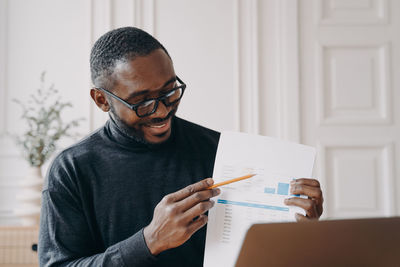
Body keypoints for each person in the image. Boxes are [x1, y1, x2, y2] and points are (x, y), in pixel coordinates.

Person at [38, 27, 323, 266]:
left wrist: (299, 229)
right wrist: (149, 241)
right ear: (101, 100)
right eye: (142, 102)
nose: (162, 111)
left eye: (170, 91)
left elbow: (262, 255)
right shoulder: (73, 169)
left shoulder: (220, 151)